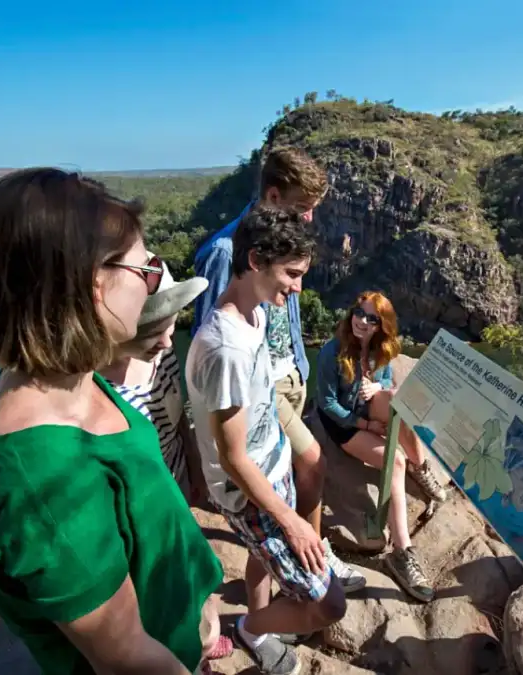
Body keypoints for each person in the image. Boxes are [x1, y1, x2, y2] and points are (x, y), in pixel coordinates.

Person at [0, 168, 224, 675]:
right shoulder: (43, 485)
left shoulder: (75, 377)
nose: (153, 285)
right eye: (145, 272)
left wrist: (201, 602)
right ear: (89, 283)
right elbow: (125, 658)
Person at [192, 146, 364, 594]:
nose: (309, 219)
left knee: (287, 476)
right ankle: (310, 553)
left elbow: (282, 310)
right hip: (258, 389)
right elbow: (216, 338)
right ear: (273, 194)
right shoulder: (226, 250)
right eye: (302, 208)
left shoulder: (284, 245)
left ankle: (272, 573)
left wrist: (300, 369)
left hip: (289, 378)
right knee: (311, 462)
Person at [187, 205, 347, 675]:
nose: (298, 287)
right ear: (255, 260)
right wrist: (294, 522)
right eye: (292, 274)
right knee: (329, 604)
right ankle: (252, 629)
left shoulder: (254, 315)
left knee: (265, 564)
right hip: (252, 493)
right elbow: (233, 458)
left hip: (273, 468)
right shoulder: (225, 348)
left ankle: (258, 626)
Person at [315, 291, 448, 603]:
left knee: (395, 401)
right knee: (395, 463)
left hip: (367, 411)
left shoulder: (381, 351)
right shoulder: (332, 352)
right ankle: (402, 552)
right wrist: (366, 426)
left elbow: (386, 386)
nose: (362, 321)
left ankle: (423, 468)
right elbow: (327, 403)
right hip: (344, 424)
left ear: (381, 325)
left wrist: (378, 388)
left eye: (371, 318)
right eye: (358, 313)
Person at [99, 257, 210, 506]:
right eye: (150, 332)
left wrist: (194, 466)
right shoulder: (99, 393)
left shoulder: (162, 356)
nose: (167, 343)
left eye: (169, 327)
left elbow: (178, 415)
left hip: (176, 474)